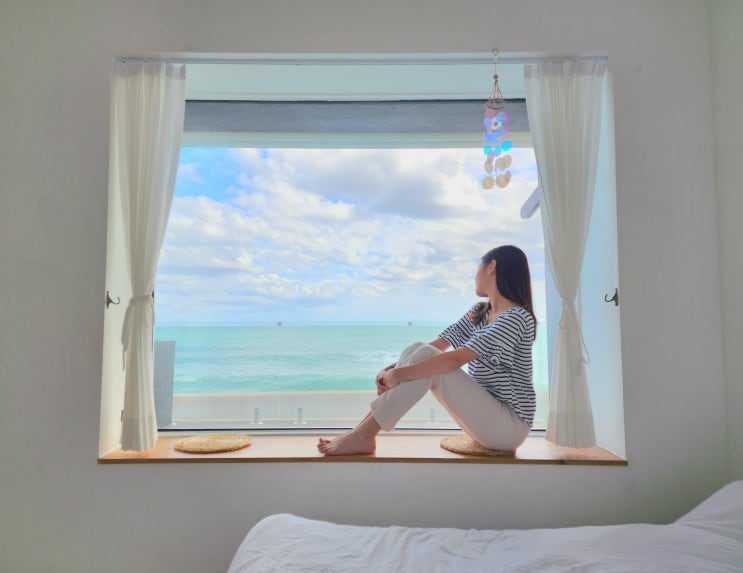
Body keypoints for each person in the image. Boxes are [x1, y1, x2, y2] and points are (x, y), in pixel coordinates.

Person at [317, 245, 537, 456]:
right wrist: (391, 370)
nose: (474, 276)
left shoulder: (516, 317)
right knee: (418, 348)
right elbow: (437, 345)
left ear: (491, 267)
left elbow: (454, 360)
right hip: (486, 418)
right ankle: (361, 432)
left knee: (429, 360)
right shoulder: (480, 311)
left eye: (478, 268)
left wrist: (400, 375)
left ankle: (363, 435)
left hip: (509, 428)